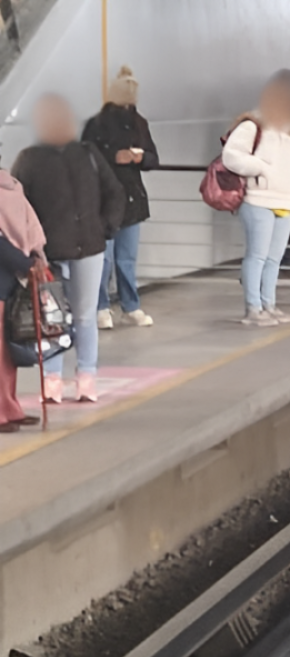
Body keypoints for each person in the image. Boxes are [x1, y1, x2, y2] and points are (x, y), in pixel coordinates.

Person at [12, 95, 125, 403]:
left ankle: (86, 376)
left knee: (86, 315)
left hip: (89, 246)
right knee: (52, 317)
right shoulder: (29, 159)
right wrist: (31, 246)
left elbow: (114, 192)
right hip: (48, 252)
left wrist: (105, 226)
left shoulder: (88, 154)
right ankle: (52, 379)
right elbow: (17, 207)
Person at [221, 72, 290, 325]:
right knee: (257, 256)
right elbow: (231, 156)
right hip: (257, 201)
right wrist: (261, 167)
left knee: (274, 259)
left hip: (285, 205)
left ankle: (269, 305)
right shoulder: (252, 126)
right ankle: (253, 308)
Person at [82, 65, 157, 330]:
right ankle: (101, 306)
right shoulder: (97, 124)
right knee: (104, 258)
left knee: (126, 258)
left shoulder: (140, 123)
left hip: (132, 198)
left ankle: (130, 306)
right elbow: (86, 158)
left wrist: (139, 157)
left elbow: (153, 159)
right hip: (105, 199)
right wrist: (114, 158)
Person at [0, 166, 49, 430]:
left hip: (10, 274)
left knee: (6, 348)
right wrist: (29, 261)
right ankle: (5, 409)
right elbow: (30, 227)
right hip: (13, 271)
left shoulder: (12, 185)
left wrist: (28, 262)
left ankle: (8, 407)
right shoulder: (12, 185)